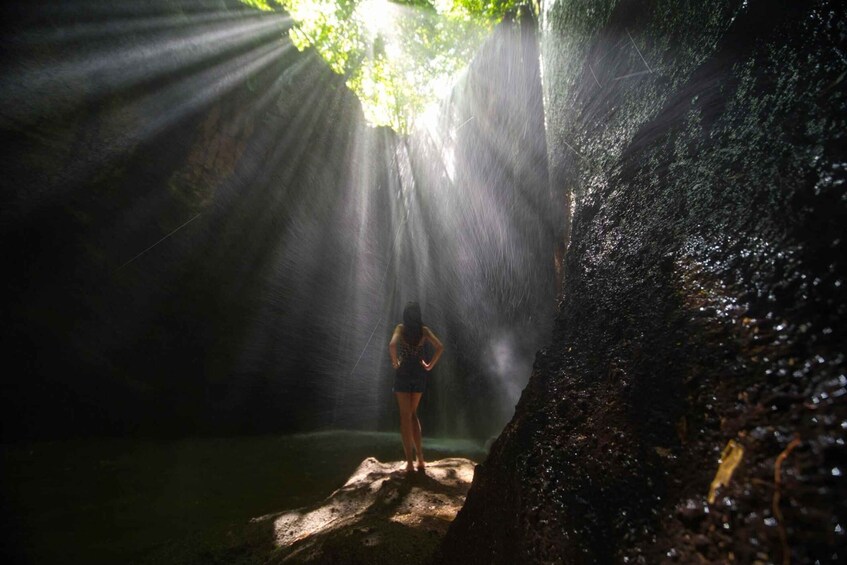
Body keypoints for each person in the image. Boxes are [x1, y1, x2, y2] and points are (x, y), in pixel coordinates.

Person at [388, 301, 444, 473]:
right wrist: (429, 365)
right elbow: (440, 347)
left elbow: (392, 345)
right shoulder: (424, 330)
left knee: (405, 418)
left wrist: (395, 362)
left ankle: (410, 464)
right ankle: (420, 459)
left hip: (403, 373)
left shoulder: (400, 329)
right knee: (413, 415)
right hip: (419, 374)